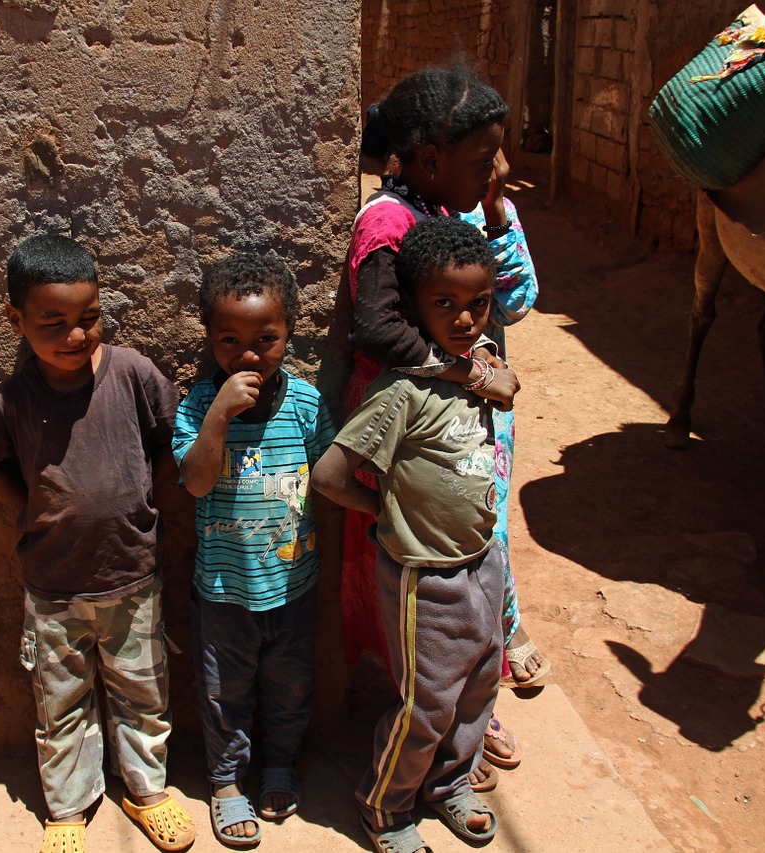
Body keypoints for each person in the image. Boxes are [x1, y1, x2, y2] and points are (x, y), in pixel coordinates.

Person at [0, 234, 194, 853]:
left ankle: (147, 791)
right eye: (55, 323)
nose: (76, 335)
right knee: (59, 702)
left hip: (133, 578)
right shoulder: (11, 399)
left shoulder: (132, 374)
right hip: (53, 589)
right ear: (16, 320)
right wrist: (34, 510)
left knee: (144, 693)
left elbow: (170, 442)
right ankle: (68, 808)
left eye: (89, 318)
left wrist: (148, 501)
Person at [346, 67, 540, 785]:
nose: (499, 168)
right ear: (429, 159)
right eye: (484, 157)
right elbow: (374, 325)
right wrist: (467, 372)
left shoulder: (457, 212)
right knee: (431, 582)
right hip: (419, 434)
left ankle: (466, 706)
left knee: (478, 546)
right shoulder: (390, 222)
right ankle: (432, 722)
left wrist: (495, 211)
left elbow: (518, 298)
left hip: (468, 427)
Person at [312, 215, 519, 852]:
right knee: (426, 704)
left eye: (479, 304)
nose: (465, 319)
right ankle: (386, 806)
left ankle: (448, 783)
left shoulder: (479, 371)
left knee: (480, 683)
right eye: (445, 305)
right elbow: (329, 475)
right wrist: (384, 511)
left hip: (482, 561)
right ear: (413, 308)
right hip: (422, 578)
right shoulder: (401, 391)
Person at [173, 253, 336, 848]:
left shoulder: (306, 403)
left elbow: (328, 474)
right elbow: (193, 481)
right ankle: (225, 783)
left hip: (294, 586)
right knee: (223, 694)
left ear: (290, 331)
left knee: (292, 686)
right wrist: (218, 414)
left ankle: (280, 765)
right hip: (224, 593)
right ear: (209, 339)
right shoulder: (196, 405)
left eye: (265, 339)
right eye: (229, 340)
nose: (248, 354)